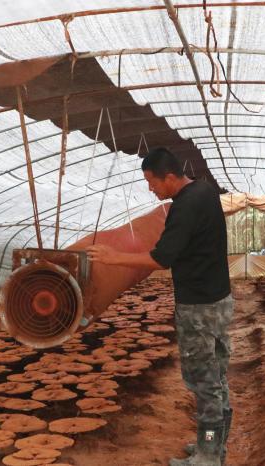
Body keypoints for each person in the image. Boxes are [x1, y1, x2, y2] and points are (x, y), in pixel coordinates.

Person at [87, 147, 234, 466]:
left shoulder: (184, 206)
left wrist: (114, 257)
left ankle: (209, 455)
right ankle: (213, 446)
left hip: (198, 308)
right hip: (218, 301)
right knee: (217, 376)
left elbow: (161, 258)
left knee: (204, 382)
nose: (150, 189)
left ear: (169, 177)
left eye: (152, 182)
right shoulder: (205, 191)